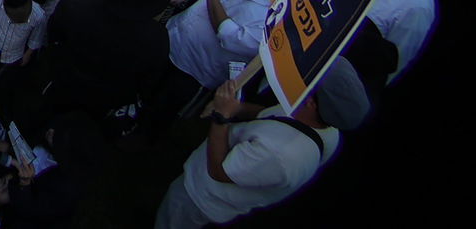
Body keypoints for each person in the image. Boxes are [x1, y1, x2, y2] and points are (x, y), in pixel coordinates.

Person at [155, 58, 370, 229]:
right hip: (205, 176)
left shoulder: (282, 156)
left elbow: (220, 171)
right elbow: (270, 115)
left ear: (312, 102)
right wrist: (237, 108)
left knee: (171, 221)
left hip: (200, 198)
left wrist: (221, 117)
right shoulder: (322, 123)